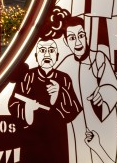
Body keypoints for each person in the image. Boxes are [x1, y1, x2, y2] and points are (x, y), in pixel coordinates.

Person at [59, 12, 117, 163]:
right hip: (76, 125)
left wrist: (103, 93)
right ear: (65, 42)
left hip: (101, 119)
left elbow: (113, 85)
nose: (78, 42)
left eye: (81, 35)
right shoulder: (64, 64)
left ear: (86, 36)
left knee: (103, 153)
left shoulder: (98, 57)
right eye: (72, 38)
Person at [10, 24, 81, 163]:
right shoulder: (27, 76)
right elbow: (13, 104)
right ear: (36, 56)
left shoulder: (63, 78)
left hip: (56, 138)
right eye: (42, 51)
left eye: (51, 50)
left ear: (57, 55)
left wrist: (60, 94)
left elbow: (74, 110)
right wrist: (27, 109)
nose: (47, 55)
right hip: (32, 138)